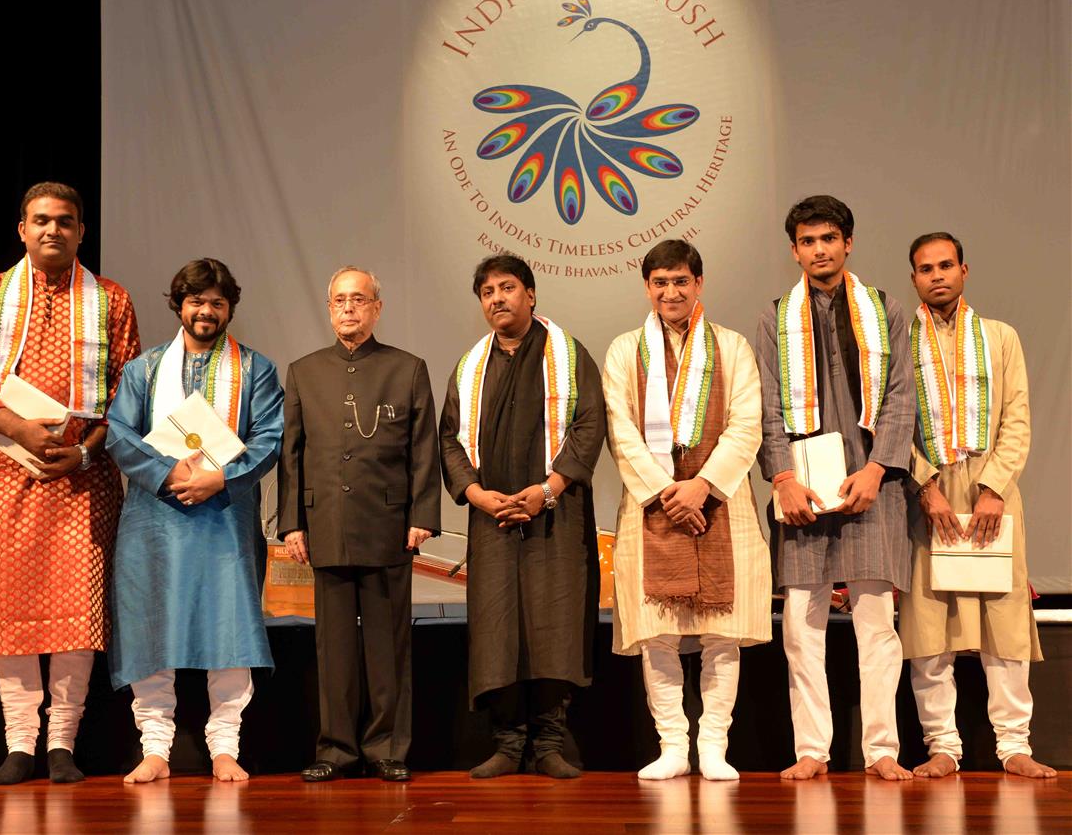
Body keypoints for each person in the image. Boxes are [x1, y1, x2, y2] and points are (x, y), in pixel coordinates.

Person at [0, 182, 140, 785]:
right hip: (6, 468)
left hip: (83, 474)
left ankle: (62, 744)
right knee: (10, 606)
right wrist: (17, 430)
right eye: (41, 221)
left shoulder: (109, 299)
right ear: (21, 229)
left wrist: (82, 453)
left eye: (66, 221)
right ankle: (20, 743)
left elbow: (128, 393)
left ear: (82, 231)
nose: (53, 230)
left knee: (75, 605)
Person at [755, 195, 915, 781]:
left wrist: (877, 470)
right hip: (803, 489)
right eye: (807, 241)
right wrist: (783, 478)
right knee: (801, 624)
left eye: (829, 239)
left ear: (848, 243)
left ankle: (882, 751)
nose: (819, 249)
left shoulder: (885, 310)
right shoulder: (776, 319)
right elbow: (768, 407)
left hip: (872, 487)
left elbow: (901, 397)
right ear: (794, 249)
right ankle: (811, 751)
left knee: (877, 622)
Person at [106, 258, 283, 784]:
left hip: (224, 517)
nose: (206, 311)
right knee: (149, 625)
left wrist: (219, 479)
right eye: (196, 301)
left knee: (228, 625)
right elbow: (119, 433)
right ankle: (155, 747)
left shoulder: (256, 370)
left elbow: (269, 438)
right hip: (154, 516)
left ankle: (224, 746)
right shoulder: (143, 369)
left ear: (230, 308)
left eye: (216, 303)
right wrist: (168, 472)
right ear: (178, 305)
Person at [601, 240, 770, 781]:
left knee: (723, 631)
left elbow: (747, 425)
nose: (670, 292)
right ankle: (673, 744)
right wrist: (669, 494)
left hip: (723, 503)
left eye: (680, 281)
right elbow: (620, 432)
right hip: (653, 507)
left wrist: (702, 487)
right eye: (659, 282)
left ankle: (714, 745)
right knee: (659, 632)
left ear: (699, 283)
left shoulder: (734, 346)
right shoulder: (625, 349)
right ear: (647, 287)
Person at [439, 254, 605, 780]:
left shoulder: (567, 355)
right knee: (497, 629)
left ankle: (550, 742)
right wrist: (475, 493)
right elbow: (449, 438)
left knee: (553, 625)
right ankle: (508, 744)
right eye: (487, 292)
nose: (497, 299)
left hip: (554, 517)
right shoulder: (471, 367)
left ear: (530, 294)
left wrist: (548, 489)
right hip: (492, 521)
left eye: (506, 288)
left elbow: (587, 424)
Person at [897, 233, 1054, 779]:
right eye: (924, 268)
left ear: (965, 269)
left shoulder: (999, 337)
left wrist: (993, 487)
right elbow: (895, 423)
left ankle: (1014, 746)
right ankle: (943, 745)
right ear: (913, 278)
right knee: (929, 622)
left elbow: (1017, 416)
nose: (936, 275)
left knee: (1004, 621)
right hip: (929, 496)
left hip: (995, 490)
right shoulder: (901, 340)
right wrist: (924, 486)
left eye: (945, 265)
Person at [277, 266, 441, 783]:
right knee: (334, 648)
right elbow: (292, 455)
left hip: (390, 524)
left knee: (387, 646)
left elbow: (423, 450)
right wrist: (291, 524)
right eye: (340, 301)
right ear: (329, 309)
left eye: (359, 300)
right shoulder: (304, 371)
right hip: (324, 522)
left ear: (377, 307)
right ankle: (336, 749)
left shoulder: (407, 368)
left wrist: (422, 516)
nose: (349, 309)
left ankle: (387, 747)